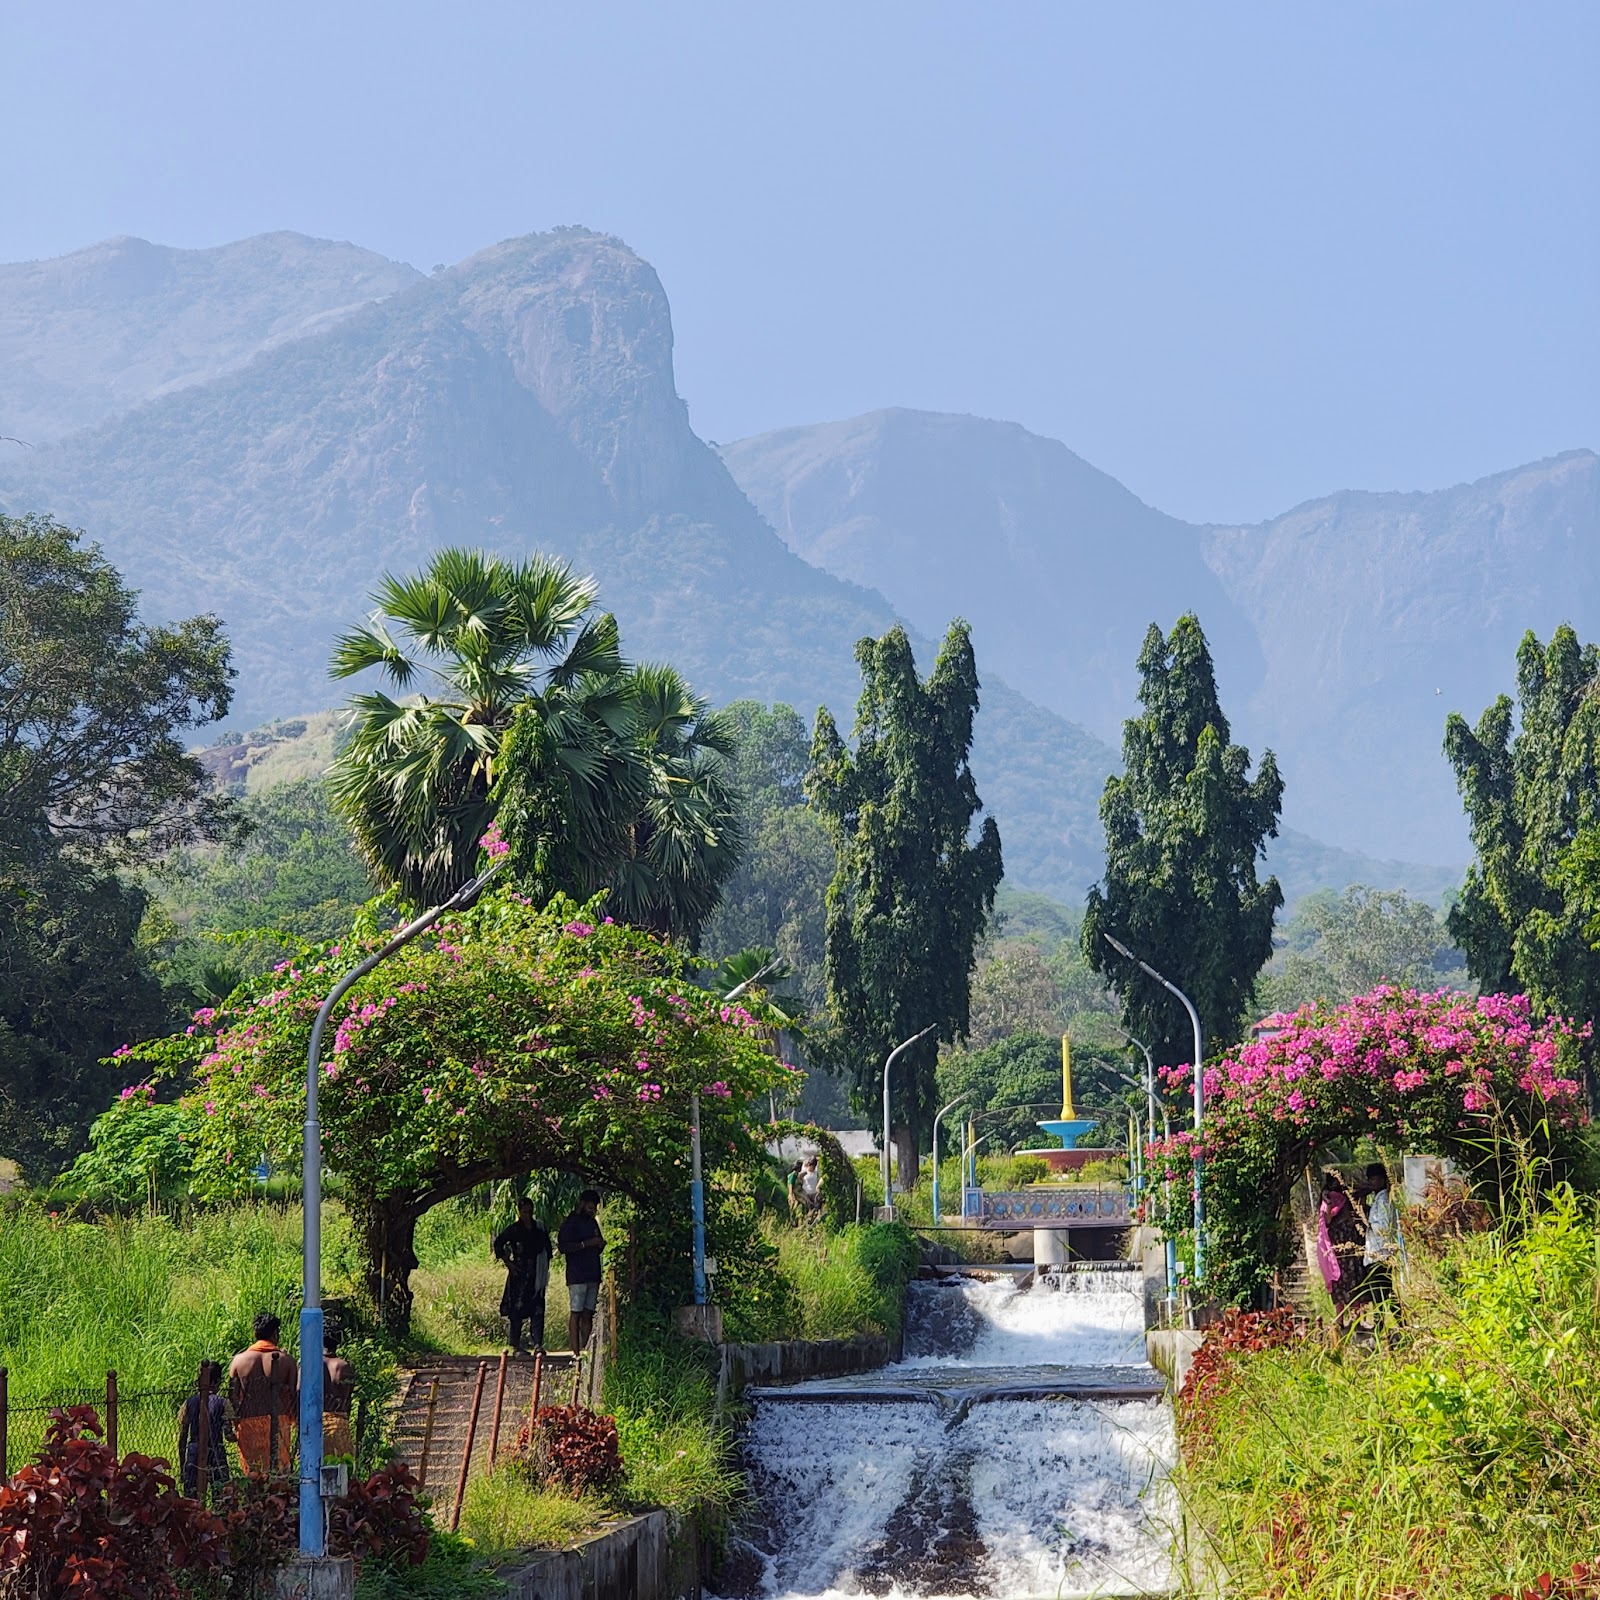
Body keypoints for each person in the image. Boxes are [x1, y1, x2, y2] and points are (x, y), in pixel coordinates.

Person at [228, 1312, 299, 1475]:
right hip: (279, 1424)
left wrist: (235, 1424)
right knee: (279, 1478)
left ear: (255, 1334)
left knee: (253, 1477)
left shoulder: (239, 1361)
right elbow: (293, 1397)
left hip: (248, 1425)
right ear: (275, 1333)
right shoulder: (286, 1361)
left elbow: (233, 1397)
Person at [494, 1196, 552, 1353]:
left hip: (536, 1274)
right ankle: (516, 1345)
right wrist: (508, 1262)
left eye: (530, 1211)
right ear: (519, 1212)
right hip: (519, 1274)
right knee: (517, 1310)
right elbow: (498, 1243)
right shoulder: (514, 1229)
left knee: (538, 1308)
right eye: (525, 1211)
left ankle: (537, 1344)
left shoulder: (538, 1228)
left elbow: (547, 1249)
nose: (528, 1214)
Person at [557, 1189, 604, 1353]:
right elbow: (563, 1247)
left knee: (588, 1314)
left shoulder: (592, 1222)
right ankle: (576, 1352)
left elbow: (598, 1242)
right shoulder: (570, 1223)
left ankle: (587, 1352)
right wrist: (586, 1244)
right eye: (591, 1206)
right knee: (576, 1313)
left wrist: (599, 1244)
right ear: (583, 1204)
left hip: (593, 1274)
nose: (593, 1210)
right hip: (577, 1275)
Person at [177, 1360, 229, 1502]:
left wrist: (182, 1466)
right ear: (217, 1381)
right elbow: (229, 1434)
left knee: (191, 1497)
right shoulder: (223, 1403)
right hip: (216, 1450)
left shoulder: (188, 1403)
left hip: (194, 1449)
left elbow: (182, 1435)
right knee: (221, 1494)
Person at [1315, 1172, 1363, 1320]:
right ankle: (1340, 1320)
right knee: (1339, 1284)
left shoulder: (1347, 1198)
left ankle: (1357, 1319)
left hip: (1350, 1248)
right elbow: (1327, 1220)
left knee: (1354, 1283)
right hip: (1338, 1251)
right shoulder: (1327, 1201)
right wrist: (1329, 1203)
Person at [1356, 1161, 1402, 1314]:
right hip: (1376, 1253)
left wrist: (1367, 1223)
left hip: (1380, 1253)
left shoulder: (1383, 1200)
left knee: (1381, 1296)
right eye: (1370, 1180)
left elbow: (1384, 1226)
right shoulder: (1377, 1199)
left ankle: (1383, 1328)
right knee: (1385, 1294)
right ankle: (1399, 1325)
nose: (1371, 1183)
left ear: (1382, 1180)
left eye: (1374, 1179)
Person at [322, 1327, 357, 1462]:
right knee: (342, 1469)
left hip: (316, 1424)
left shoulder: (310, 1365)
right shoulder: (344, 1366)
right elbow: (348, 1395)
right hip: (339, 1422)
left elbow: (299, 1392)